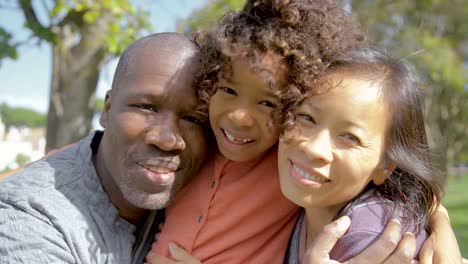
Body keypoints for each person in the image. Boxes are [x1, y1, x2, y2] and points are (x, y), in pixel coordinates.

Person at [149, 1, 462, 263]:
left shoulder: (360, 226)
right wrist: (441, 220)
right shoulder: (205, 142)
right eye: (228, 89)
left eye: (268, 102)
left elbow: (414, 194)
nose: (242, 117)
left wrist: (439, 223)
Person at [0, 33, 208, 263]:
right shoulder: (28, 218)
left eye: (194, 118)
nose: (168, 140)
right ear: (107, 109)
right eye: (147, 107)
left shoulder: (212, 192)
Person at [279, 47, 455, 262]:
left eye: (351, 137)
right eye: (306, 117)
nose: (314, 147)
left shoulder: (371, 238)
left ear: (385, 167)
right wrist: (440, 216)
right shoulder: (300, 199)